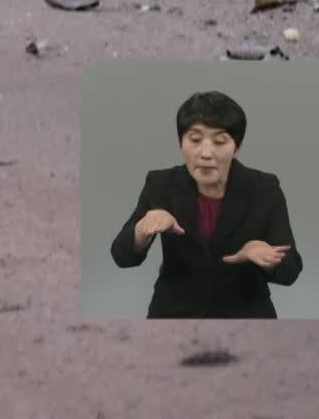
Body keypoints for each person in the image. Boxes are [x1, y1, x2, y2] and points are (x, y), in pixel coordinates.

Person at [109, 90, 303, 318]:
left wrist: (265, 258)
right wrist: (142, 229)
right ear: (181, 143)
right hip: (174, 315)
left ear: (236, 148)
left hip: (246, 316)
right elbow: (121, 256)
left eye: (220, 141)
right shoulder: (160, 185)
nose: (206, 153)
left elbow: (290, 270)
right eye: (194, 140)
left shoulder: (265, 189)